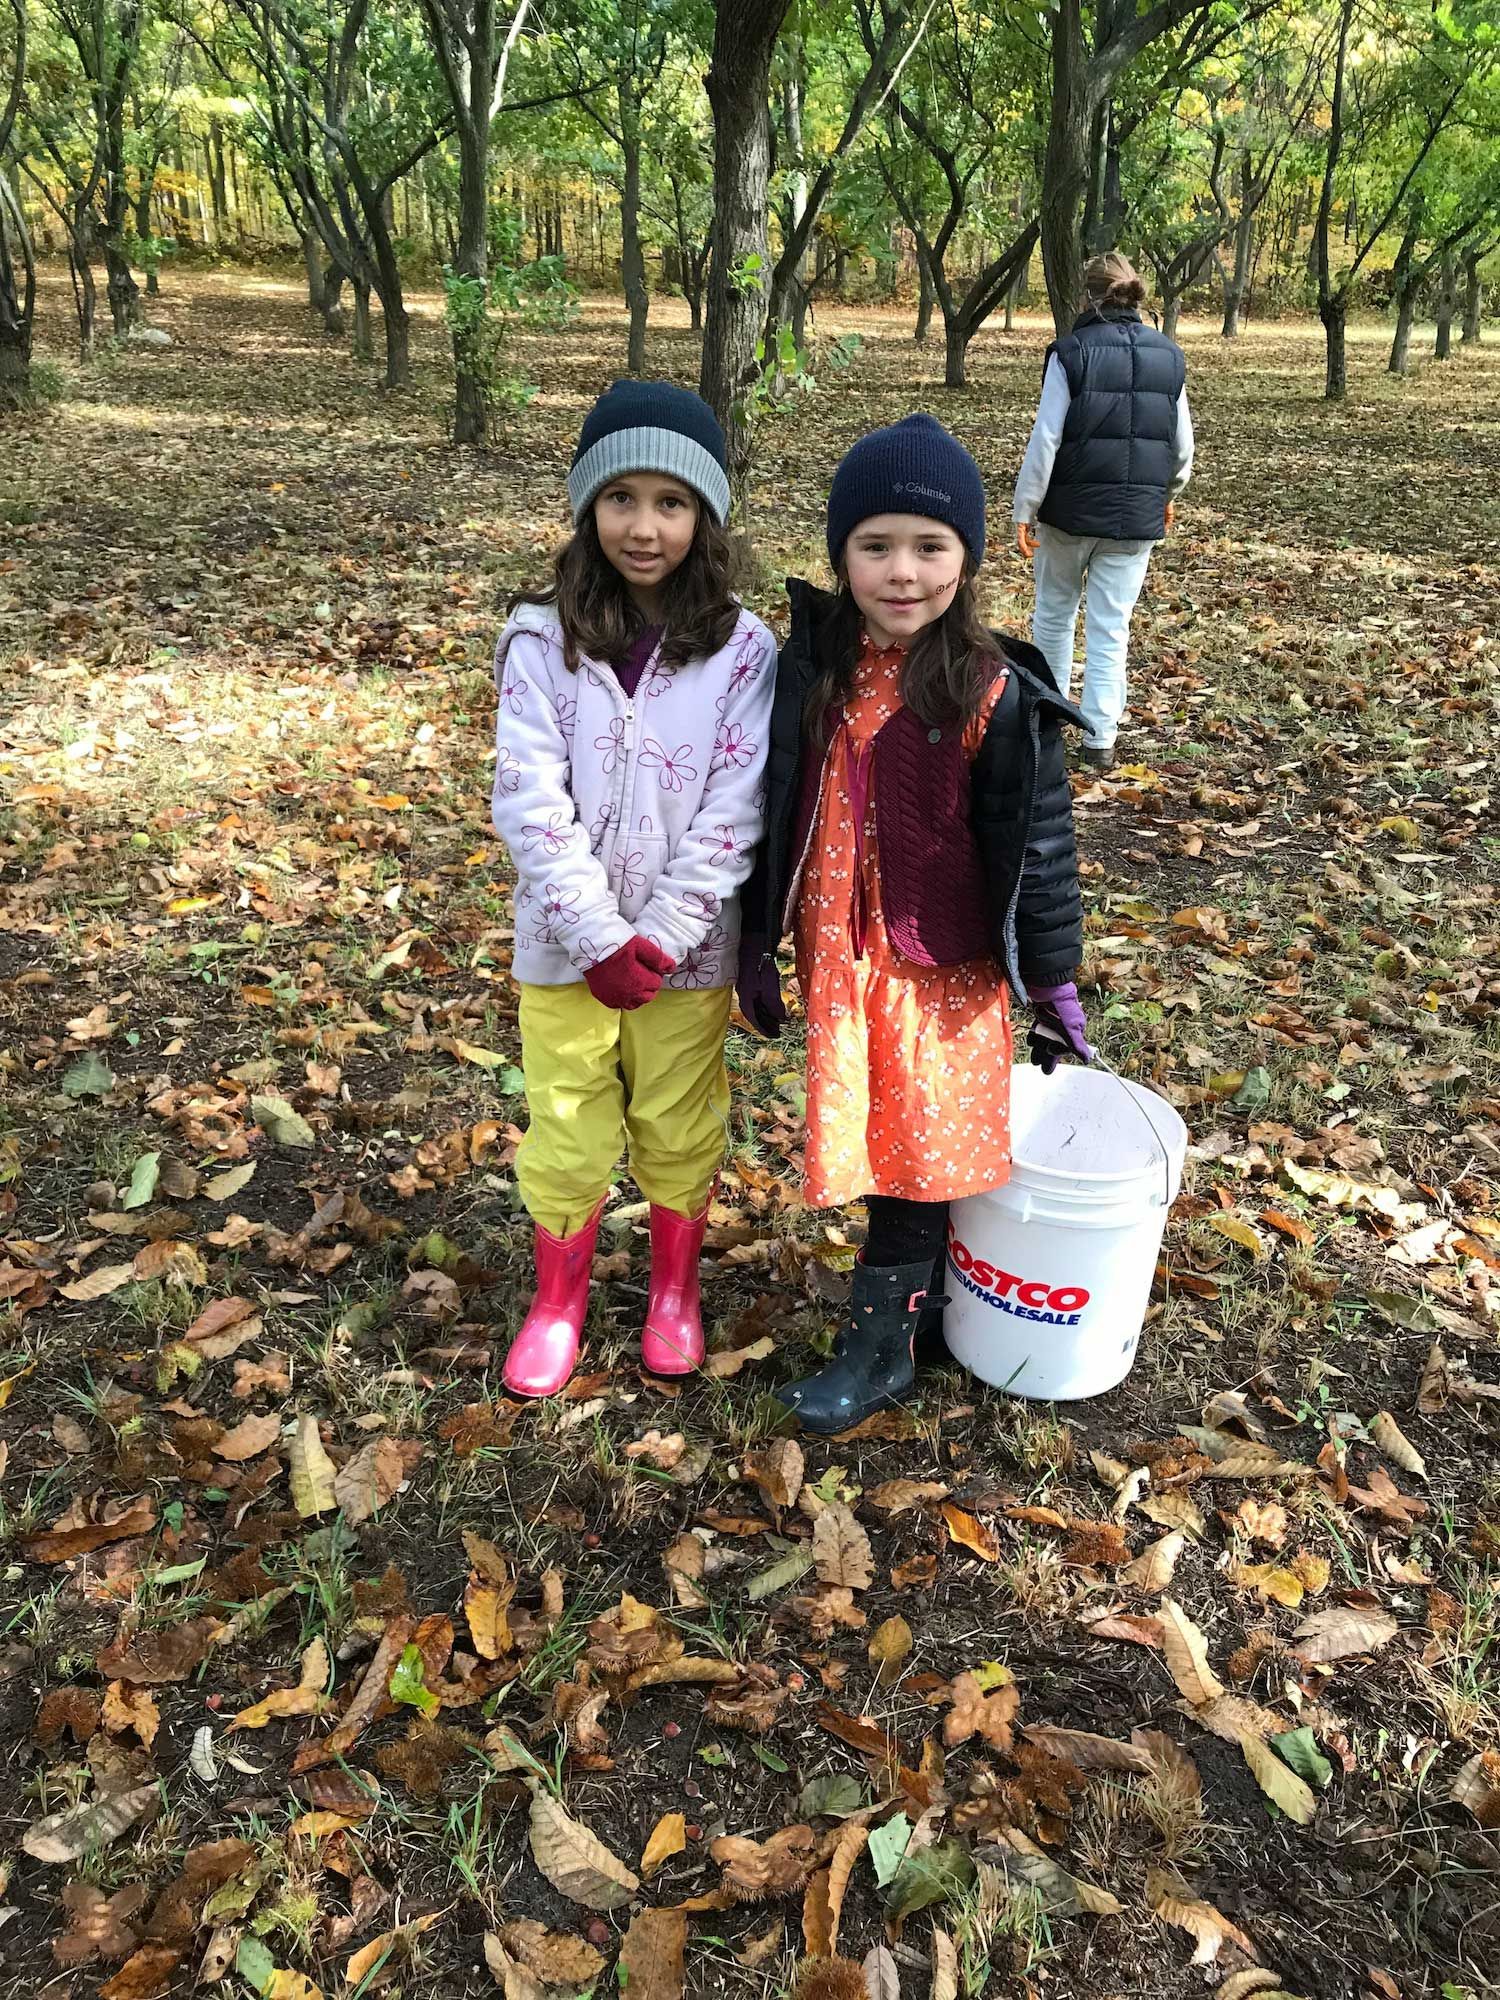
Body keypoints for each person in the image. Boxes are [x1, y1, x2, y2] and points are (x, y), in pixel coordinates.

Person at [737, 413, 1093, 1434]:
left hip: (940, 968)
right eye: (876, 545)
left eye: (930, 547)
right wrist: (755, 943)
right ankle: (928, 1299)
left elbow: (1040, 848)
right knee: (876, 1132)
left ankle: (884, 1342)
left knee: (915, 1147)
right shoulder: (813, 672)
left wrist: (1055, 980)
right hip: (842, 958)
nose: (903, 571)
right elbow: (769, 804)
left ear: (967, 559)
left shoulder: (989, 689)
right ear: (841, 553)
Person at [491, 379, 776, 1398]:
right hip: (566, 946)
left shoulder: (745, 651)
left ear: (705, 516)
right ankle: (559, 1297)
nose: (644, 526)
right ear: (587, 506)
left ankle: (672, 1289)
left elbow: (737, 808)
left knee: (677, 1111)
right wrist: (594, 932)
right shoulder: (540, 636)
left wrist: (657, 935)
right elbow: (528, 797)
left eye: (671, 501)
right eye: (621, 498)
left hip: (684, 954)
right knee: (567, 1111)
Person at [1012, 250, 1194, 771]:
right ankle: (1100, 740)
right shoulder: (1170, 356)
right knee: (1113, 626)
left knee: (1053, 614)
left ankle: (1046, 725)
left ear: (1086, 296)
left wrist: (1025, 509)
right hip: (1136, 518)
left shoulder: (1070, 353)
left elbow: (1046, 440)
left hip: (1068, 514)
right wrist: (1167, 496)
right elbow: (1181, 449)